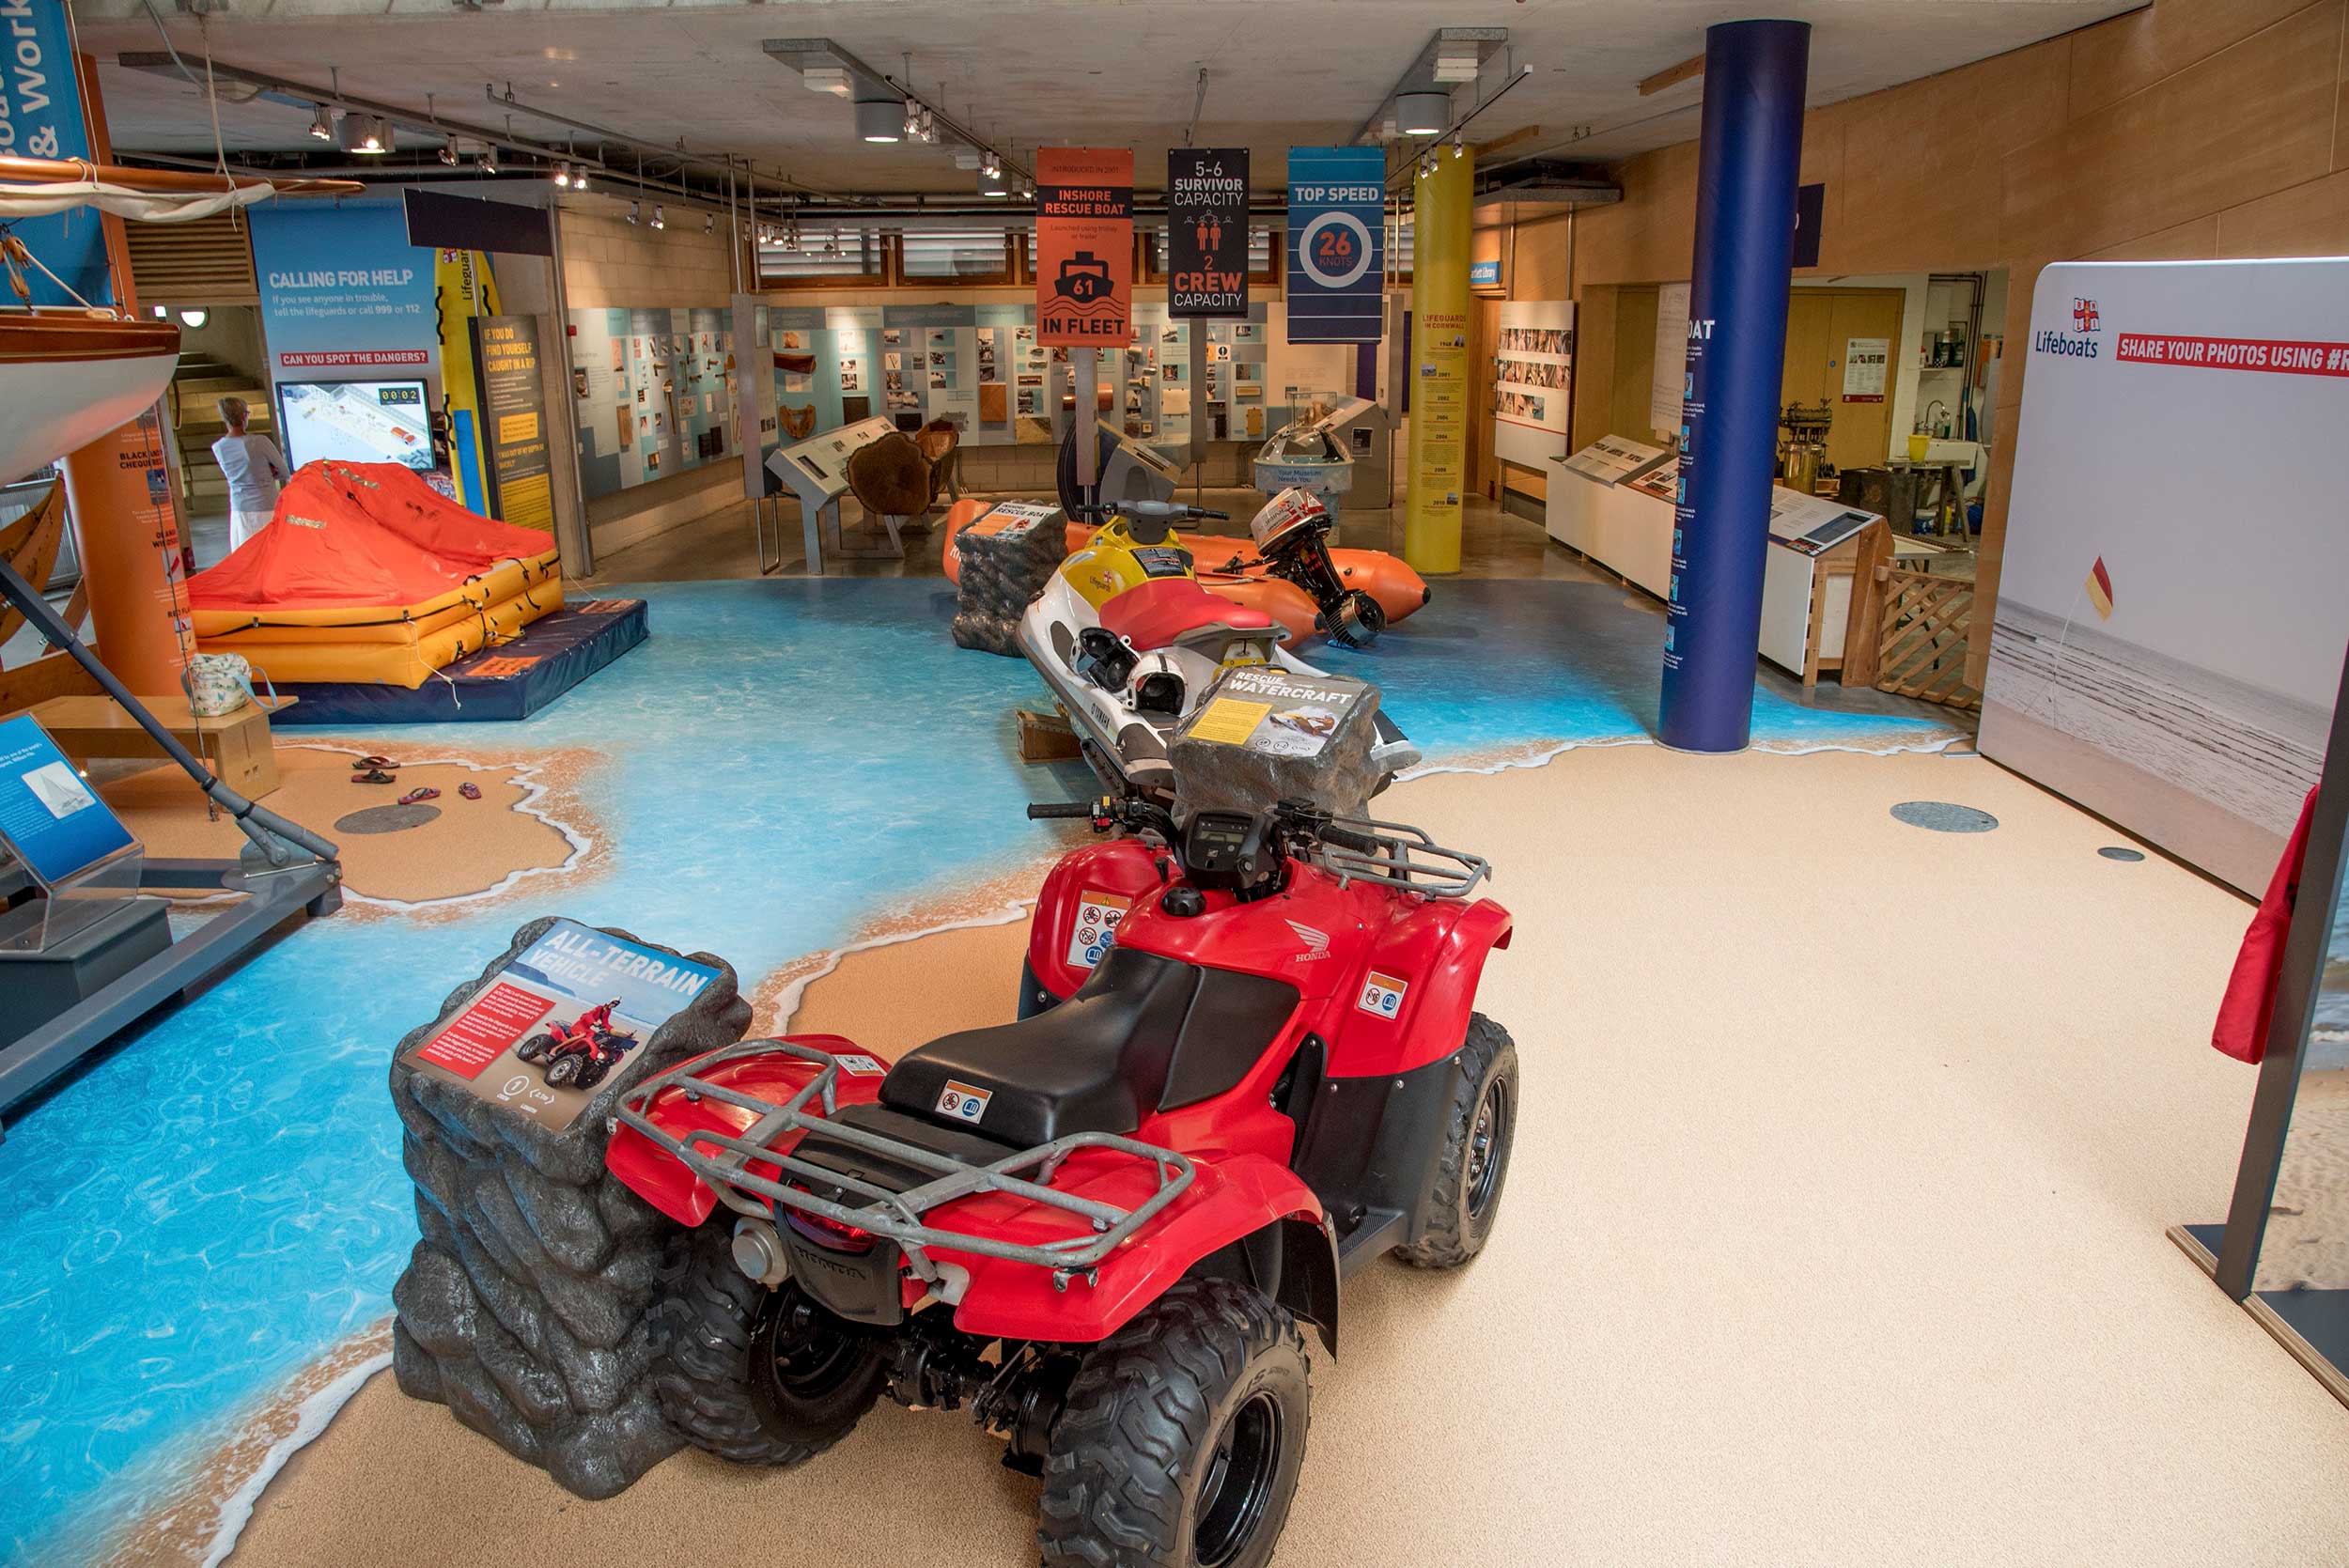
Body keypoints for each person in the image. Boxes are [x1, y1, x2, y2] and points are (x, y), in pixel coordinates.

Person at [210, 396, 287, 551]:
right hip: (266, 506)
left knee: (247, 556)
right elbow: (284, 470)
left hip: (240, 509)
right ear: (244, 416)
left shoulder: (218, 447)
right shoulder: (259, 441)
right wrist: (269, 473)